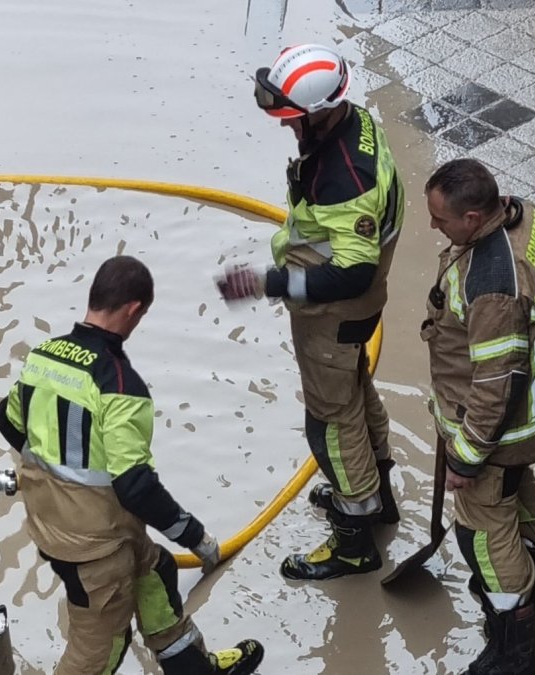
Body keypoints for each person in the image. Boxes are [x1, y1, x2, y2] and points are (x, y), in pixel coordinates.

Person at [0, 255, 264, 675]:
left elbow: (7, 421)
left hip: (57, 525)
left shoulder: (43, 356)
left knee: (156, 571)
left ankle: (196, 671)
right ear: (134, 310)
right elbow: (135, 486)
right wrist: (196, 537)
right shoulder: (119, 383)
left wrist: (55, 475)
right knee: (100, 649)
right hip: (94, 546)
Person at [218, 43, 405, 580]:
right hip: (354, 312)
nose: (285, 126)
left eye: (292, 118)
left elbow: (352, 270)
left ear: (320, 110)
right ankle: (377, 494)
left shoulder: (345, 178)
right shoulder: (355, 123)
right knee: (355, 393)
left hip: (335, 310)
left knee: (328, 421)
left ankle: (353, 538)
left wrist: (269, 282)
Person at [422, 159, 535, 674]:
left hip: (501, 434)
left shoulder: (491, 286)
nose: (434, 227)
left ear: (474, 215)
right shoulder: (529, 218)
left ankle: (513, 642)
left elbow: (494, 387)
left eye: (441, 219)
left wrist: (464, 457)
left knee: (480, 532)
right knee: (516, 489)